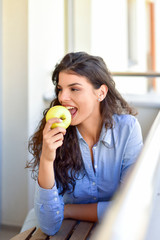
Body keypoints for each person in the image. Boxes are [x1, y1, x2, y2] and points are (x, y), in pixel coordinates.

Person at [26, 52, 143, 236]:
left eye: (74, 89)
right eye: (60, 89)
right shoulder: (53, 133)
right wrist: (47, 159)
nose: (63, 97)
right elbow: (49, 224)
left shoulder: (127, 130)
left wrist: (67, 209)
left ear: (101, 93)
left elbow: (128, 207)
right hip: (63, 229)